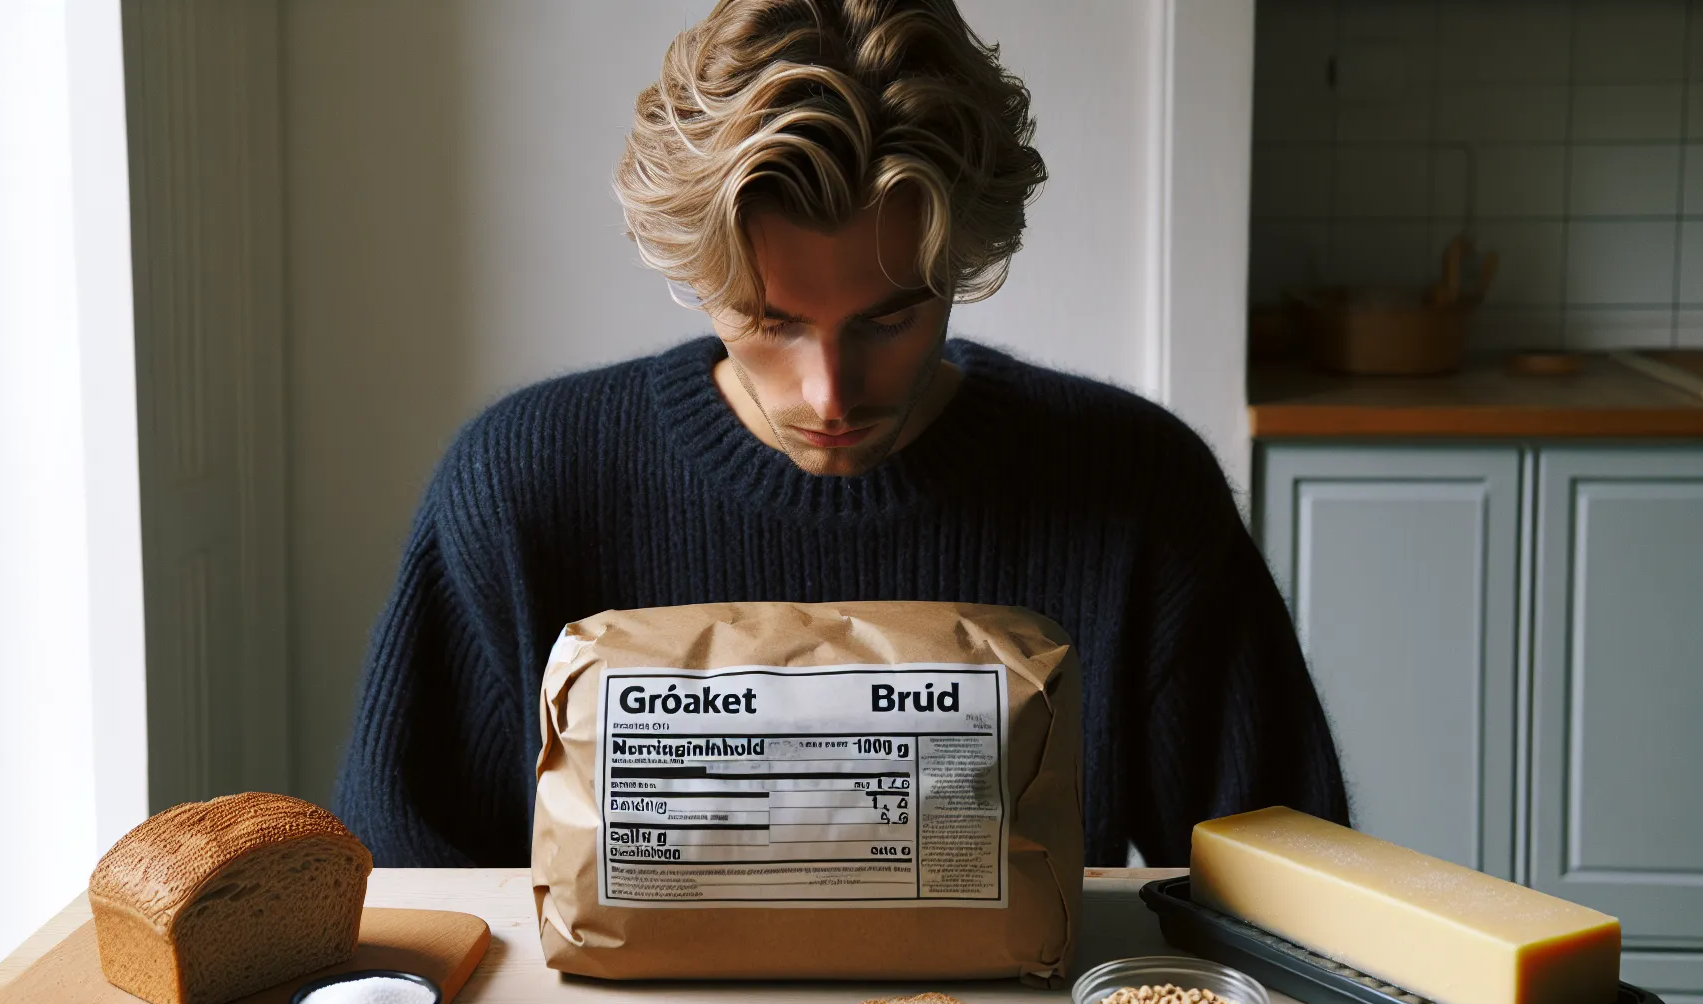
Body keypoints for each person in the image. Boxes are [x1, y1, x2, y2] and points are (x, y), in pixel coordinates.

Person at [334, 0, 1348, 870]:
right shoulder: (520, 488)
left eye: (888, 317)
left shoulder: (1138, 490)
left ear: (959, 268)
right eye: (770, 320)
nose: (829, 391)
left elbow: (1289, 896)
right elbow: (410, 903)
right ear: (701, 279)